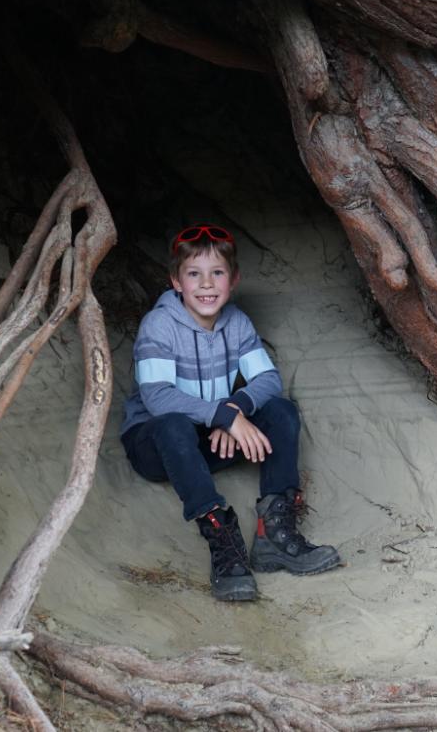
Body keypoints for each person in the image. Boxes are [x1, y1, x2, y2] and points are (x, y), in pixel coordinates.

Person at [121, 224, 340, 601]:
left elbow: (268, 378)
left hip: (211, 439)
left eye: (217, 273)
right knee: (173, 425)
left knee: (281, 410)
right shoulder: (159, 325)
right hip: (157, 445)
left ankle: (274, 534)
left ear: (233, 279)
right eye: (194, 274)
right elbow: (157, 397)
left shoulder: (236, 323)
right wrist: (222, 417)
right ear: (176, 281)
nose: (206, 284)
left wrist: (234, 409)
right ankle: (222, 539)